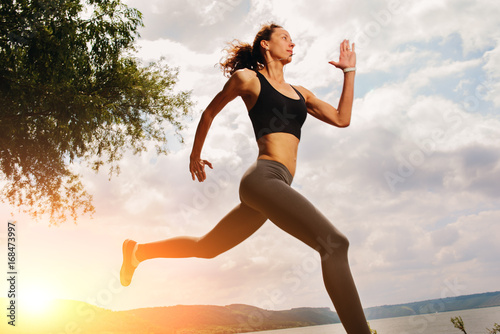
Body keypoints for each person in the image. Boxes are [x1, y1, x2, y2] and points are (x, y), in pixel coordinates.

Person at [120, 23, 371, 333]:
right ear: (265, 45)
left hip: (276, 187)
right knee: (335, 244)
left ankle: (138, 252)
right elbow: (209, 113)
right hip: (263, 179)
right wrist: (195, 155)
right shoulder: (248, 79)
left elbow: (342, 119)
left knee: (208, 247)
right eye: (284, 38)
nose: (292, 44)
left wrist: (349, 72)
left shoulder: (300, 93)